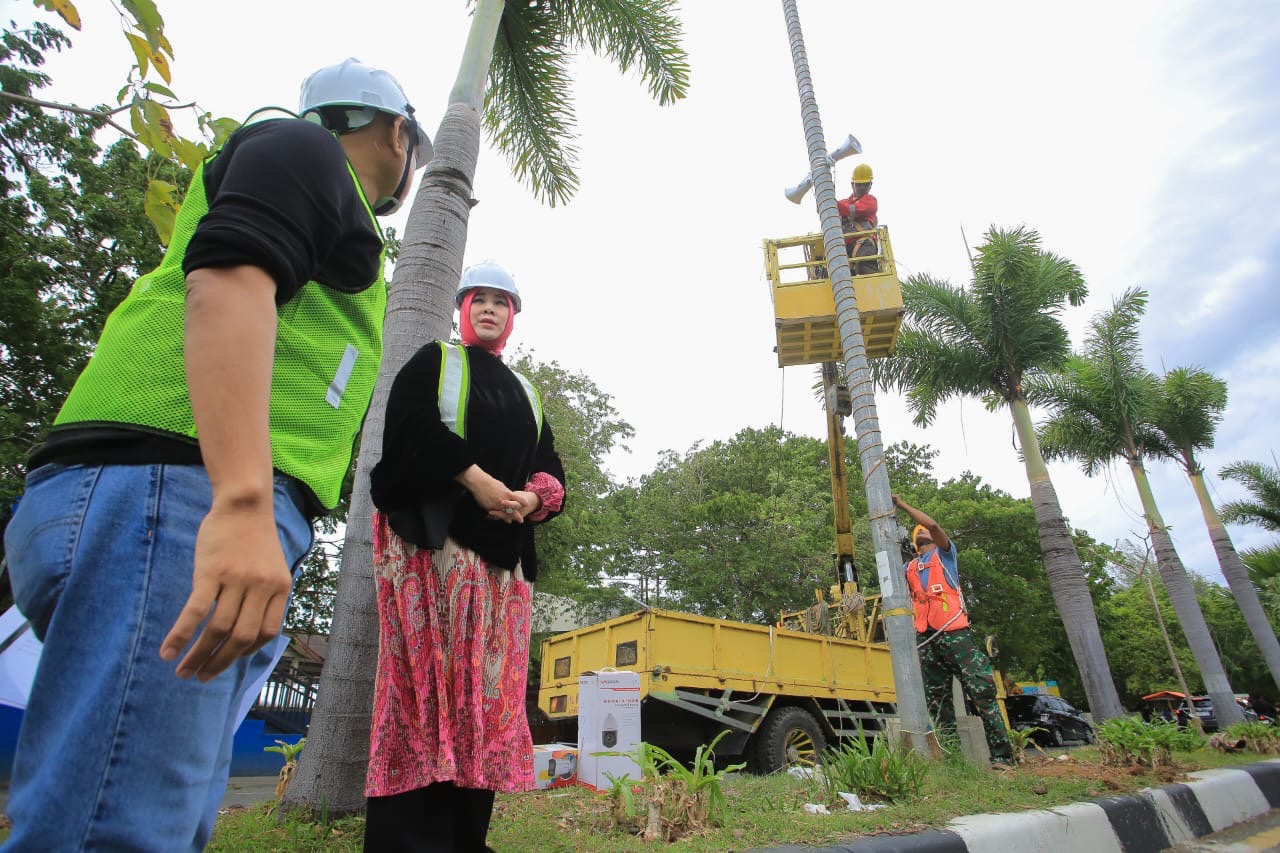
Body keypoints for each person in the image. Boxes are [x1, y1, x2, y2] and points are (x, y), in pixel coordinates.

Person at [1, 58, 430, 851]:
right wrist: (238, 501)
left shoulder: (325, 197)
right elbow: (229, 280)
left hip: (178, 505)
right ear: (398, 133)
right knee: (115, 830)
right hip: (172, 494)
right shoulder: (301, 151)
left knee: (161, 820)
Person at [364, 260, 566, 852]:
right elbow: (408, 429)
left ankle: (464, 841)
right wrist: (473, 478)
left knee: (485, 704)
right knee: (422, 694)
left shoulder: (527, 392)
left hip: (502, 572)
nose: (490, 309)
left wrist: (530, 496)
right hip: (433, 553)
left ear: (513, 318)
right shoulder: (435, 361)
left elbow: (552, 471)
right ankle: (406, 842)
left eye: (502, 303)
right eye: (480, 299)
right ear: (463, 308)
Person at [892, 494, 1014, 766]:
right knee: (938, 703)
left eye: (925, 531)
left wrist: (902, 506)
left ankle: (1003, 757)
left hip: (956, 635)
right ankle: (954, 762)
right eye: (918, 533)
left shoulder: (946, 555)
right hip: (927, 639)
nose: (923, 532)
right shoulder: (910, 567)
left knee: (981, 694)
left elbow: (934, 526)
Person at [836, 162, 879, 274]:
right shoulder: (844, 203)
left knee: (868, 275)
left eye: (865, 184)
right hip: (845, 248)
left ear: (870, 185)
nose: (862, 187)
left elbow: (856, 209)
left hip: (864, 245)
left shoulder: (871, 201)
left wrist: (834, 204)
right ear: (852, 185)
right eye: (858, 184)